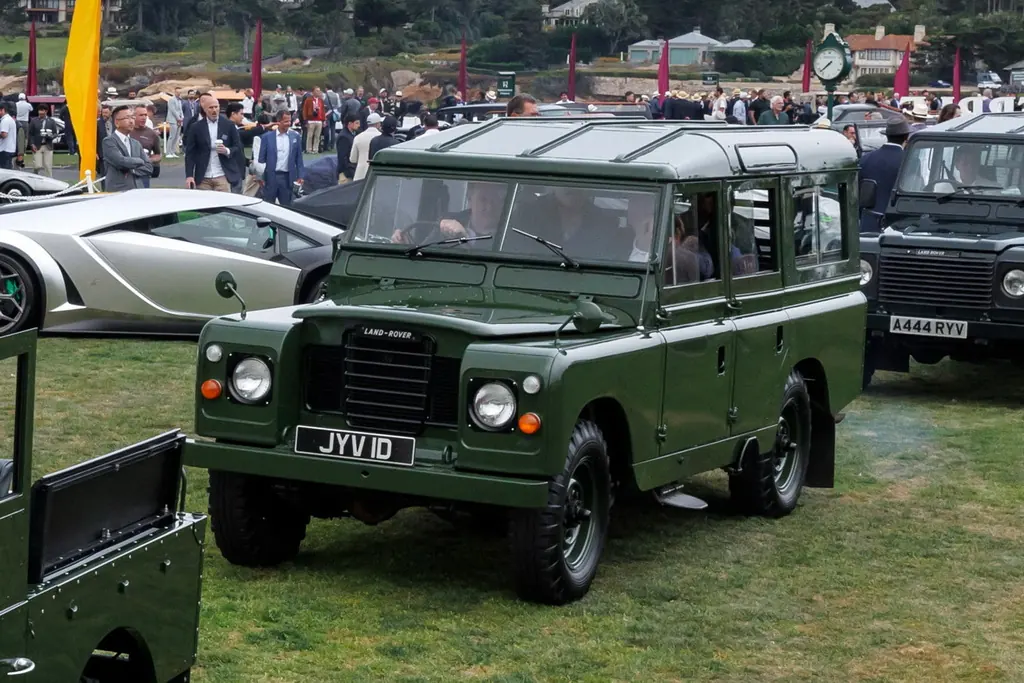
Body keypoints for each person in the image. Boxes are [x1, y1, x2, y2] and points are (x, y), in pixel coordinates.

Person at [858, 118, 911, 232]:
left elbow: (857, 193)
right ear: (906, 138)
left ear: (887, 136)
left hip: (869, 223)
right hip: (897, 225)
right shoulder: (909, 161)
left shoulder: (866, 159)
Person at [184, 93, 244, 192]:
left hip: (222, 175)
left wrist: (227, 151)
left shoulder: (228, 125)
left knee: (223, 200)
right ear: (205, 109)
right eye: (211, 108)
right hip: (203, 177)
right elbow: (190, 153)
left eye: (216, 107)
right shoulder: (196, 127)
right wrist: (189, 175)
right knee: (204, 201)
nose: (214, 110)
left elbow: (237, 146)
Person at [100, 105, 153, 191]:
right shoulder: (109, 141)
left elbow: (149, 167)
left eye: (132, 117)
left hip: (137, 189)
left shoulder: (136, 143)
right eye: (127, 118)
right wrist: (140, 161)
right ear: (117, 122)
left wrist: (132, 170)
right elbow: (121, 161)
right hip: (118, 190)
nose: (131, 121)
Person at [257, 110, 304, 206]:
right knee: (268, 206)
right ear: (278, 122)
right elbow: (261, 160)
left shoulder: (295, 136)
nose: (289, 123)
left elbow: (299, 159)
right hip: (270, 177)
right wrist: (260, 176)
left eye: (290, 121)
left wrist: (300, 176)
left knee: (286, 207)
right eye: (286, 121)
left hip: (287, 178)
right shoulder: (266, 137)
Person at [128, 105, 161, 188]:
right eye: (141, 115)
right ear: (134, 116)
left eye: (145, 115)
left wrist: (149, 160)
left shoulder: (152, 134)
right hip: (128, 172)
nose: (144, 118)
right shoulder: (127, 131)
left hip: (143, 173)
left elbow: (158, 155)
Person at [28, 103, 59, 178]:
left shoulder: (51, 121)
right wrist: (32, 144)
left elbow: (55, 133)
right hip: (37, 146)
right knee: (37, 165)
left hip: (48, 146)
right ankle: (35, 176)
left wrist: (51, 136)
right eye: (39, 110)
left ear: (46, 111)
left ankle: (50, 181)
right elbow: (30, 134)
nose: (40, 112)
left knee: (48, 166)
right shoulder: (34, 121)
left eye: (42, 111)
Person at [350, 111, 382, 181]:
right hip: (375, 174)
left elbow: (353, 159)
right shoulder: (381, 137)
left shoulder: (358, 137)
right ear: (377, 124)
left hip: (360, 174)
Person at [335, 113, 360, 184]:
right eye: (357, 123)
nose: (359, 125)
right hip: (345, 174)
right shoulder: (344, 137)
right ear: (350, 123)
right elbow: (343, 158)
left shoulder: (350, 135)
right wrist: (350, 172)